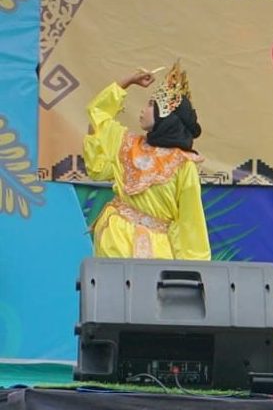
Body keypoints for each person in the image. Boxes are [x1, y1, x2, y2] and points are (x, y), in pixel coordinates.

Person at [83, 62, 211, 261]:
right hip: (115, 240)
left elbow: (190, 223)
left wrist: (194, 272)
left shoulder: (183, 164)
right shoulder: (125, 144)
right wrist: (129, 81)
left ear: (166, 114)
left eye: (151, 104)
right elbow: (98, 116)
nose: (142, 110)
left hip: (157, 250)